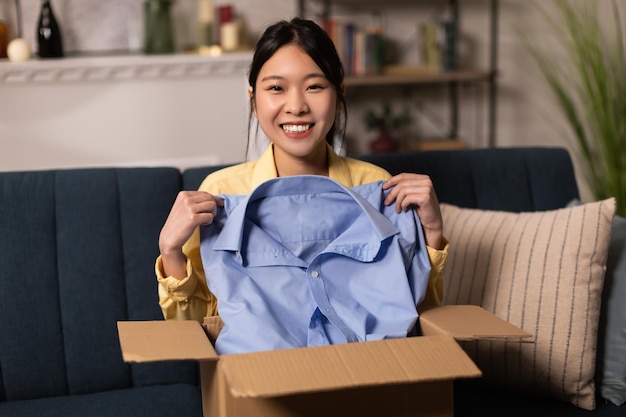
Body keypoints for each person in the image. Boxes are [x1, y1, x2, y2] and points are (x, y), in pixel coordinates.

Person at [156, 17, 448, 322]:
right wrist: (171, 251)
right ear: (253, 100)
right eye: (277, 88)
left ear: (338, 97)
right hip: (259, 368)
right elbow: (201, 326)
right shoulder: (220, 192)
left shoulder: (380, 187)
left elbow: (413, 315)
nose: (296, 106)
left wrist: (432, 234)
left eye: (315, 86)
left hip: (362, 363)